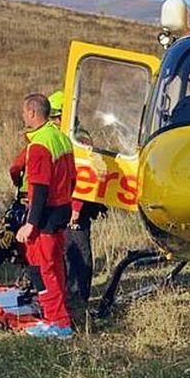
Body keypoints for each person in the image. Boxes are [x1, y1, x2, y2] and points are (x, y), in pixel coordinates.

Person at [14, 93, 77, 339]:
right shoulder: (61, 138)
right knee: (56, 266)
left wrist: (31, 223)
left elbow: (39, 187)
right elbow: (73, 178)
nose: (23, 116)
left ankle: (57, 323)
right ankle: (61, 314)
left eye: (23, 112)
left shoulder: (39, 144)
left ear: (32, 113)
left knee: (42, 268)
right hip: (62, 210)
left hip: (45, 214)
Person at [47, 89, 105, 311]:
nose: (52, 122)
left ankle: (78, 299)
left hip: (76, 207)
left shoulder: (79, 139)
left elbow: (83, 178)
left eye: (53, 117)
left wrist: (76, 211)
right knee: (66, 251)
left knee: (77, 251)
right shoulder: (70, 137)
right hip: (65, 205)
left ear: (63, 116)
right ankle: (70, 295)